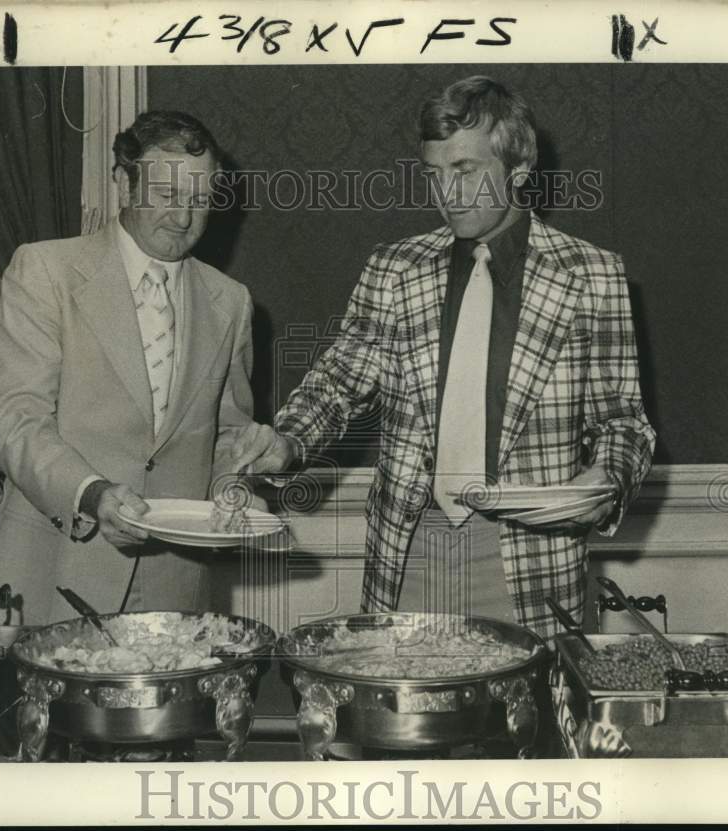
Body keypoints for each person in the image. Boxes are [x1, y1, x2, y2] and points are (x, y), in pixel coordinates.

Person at [232, 76, 656, 637]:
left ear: (519, 171)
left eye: (466, 171)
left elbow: (623, 421)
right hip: (408, 553)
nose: (447, 194)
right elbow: (337, 384)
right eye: (434, 174)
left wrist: (605, 479)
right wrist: (287, 441)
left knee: (527, 725)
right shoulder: (394, 268)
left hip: (532, 563)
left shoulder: (593, 276)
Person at [0, 110, 255, 625]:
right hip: (55, 573)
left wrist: (241, 477)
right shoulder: (45, 272)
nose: (183, 217)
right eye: (167, 195)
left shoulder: (232, 302)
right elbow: (14, 419)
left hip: (177, 591)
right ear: (122, 183)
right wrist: (92, 494)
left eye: (199, 200)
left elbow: (226, 441)